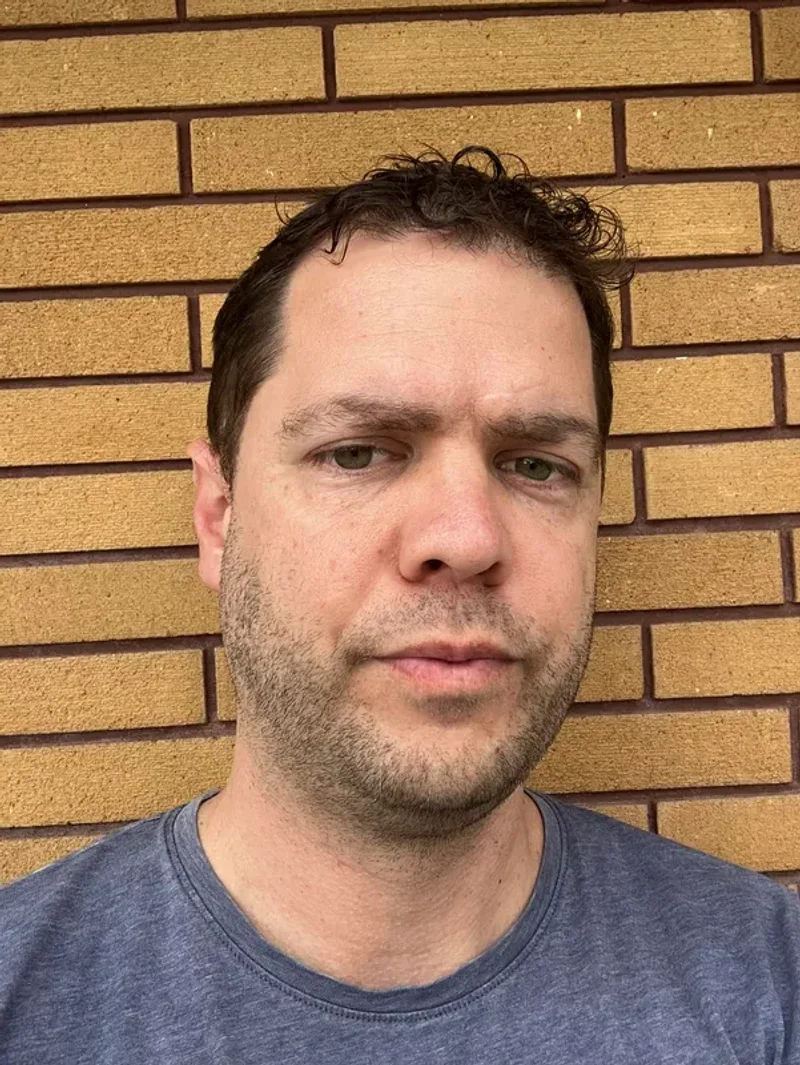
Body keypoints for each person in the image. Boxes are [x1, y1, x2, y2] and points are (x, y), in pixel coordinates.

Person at [1, 147, 798, 1063]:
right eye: (358, 451)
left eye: (536, 465)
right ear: (219, 517)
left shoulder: (766, 985)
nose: (466, 537)